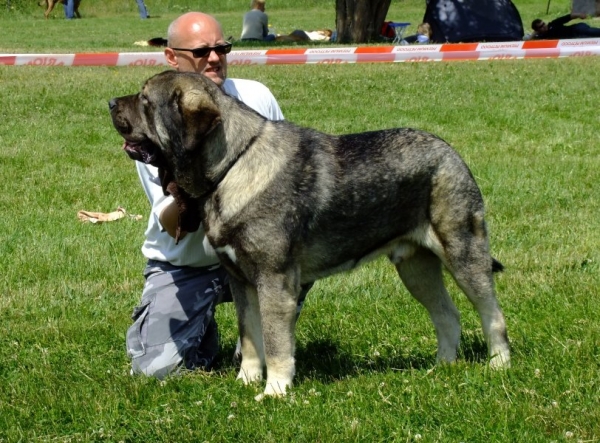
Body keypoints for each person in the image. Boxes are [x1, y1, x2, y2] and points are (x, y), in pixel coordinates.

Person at [126, 11, 308, 379]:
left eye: (222, 48)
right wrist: (188, 195)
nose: (214, 58)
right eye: (202, 51)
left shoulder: (257, 96)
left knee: (294, 251)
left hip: (256, 258)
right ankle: (201, 328)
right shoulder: (152, 123)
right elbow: (169, 220)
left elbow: (290, 177)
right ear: (171, 58)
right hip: (186, 267)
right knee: (156, 373)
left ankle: (256, 348)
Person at [532, 13, 600, 39]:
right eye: (541, 26)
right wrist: (535, 33)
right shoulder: (541, 37)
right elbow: (528, 40)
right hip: (576, 38)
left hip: (577, 29)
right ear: (537, 30)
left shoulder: (553, 24)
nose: (544, 26)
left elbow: (568, 17)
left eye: (544, 24)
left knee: (591, 32)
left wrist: (579, 15)